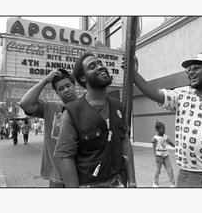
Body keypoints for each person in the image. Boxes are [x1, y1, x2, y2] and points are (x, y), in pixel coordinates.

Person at [134, 51, 202, 188]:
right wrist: (134, 74)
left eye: (196, 68)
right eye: (188, 70)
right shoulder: (182, 95)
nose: (190, 72)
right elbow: (156, 94)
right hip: (188, 175)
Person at [56, 52, 137, 188]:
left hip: (118, 183)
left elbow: (125, 142)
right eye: (92, 66)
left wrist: (132, 182)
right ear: (83, 78)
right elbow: (66, 158)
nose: (100, 67)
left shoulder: (118, 105)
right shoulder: (72, 113)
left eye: (100, 63)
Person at [19, 69, 77, 187]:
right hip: (57, 177)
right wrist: (45, 81)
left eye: (68, 85)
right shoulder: (50, 108)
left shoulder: (86, 108)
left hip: (82, 175)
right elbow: (25, 104)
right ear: (57, 93)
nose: (66, 90)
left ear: (74, 85)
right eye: (61, 89)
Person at [152, 120, 176, 188]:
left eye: (164, 128)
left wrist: (176, 147)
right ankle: (155, 183)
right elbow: (153, 148)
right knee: (157, 171)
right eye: (163, 128)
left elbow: (170, 143)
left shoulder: (165, 136)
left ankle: (172, 184)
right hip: (159, 156)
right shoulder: (155, 138)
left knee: (170, 170)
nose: (164, 130)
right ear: (157, 129)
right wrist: (155, 156)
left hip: (166, 156)